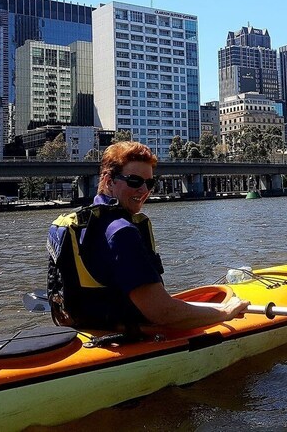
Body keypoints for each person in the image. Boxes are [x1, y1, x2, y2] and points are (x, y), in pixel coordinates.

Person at [47, 141, 249, 333]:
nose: (143, 190)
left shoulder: (84, 222)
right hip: (128, 336)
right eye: (134, 181)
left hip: (89, 327)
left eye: (149, 182)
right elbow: (163, 312)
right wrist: (225, 312)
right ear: (109, 181)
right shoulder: (121, 231)